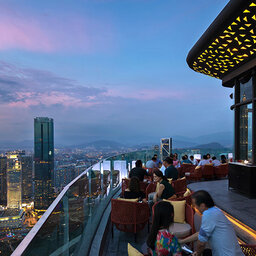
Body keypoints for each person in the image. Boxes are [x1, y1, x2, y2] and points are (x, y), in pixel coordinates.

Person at [179, 190, 244, 256]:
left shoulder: (208, 215)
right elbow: (200, 234)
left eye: (195, 205)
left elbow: (201, 243)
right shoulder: (216, 211)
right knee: (206, 251)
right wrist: (182, 241)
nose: (194, 207)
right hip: (235, 253)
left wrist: (198, 253)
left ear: (202, 205)